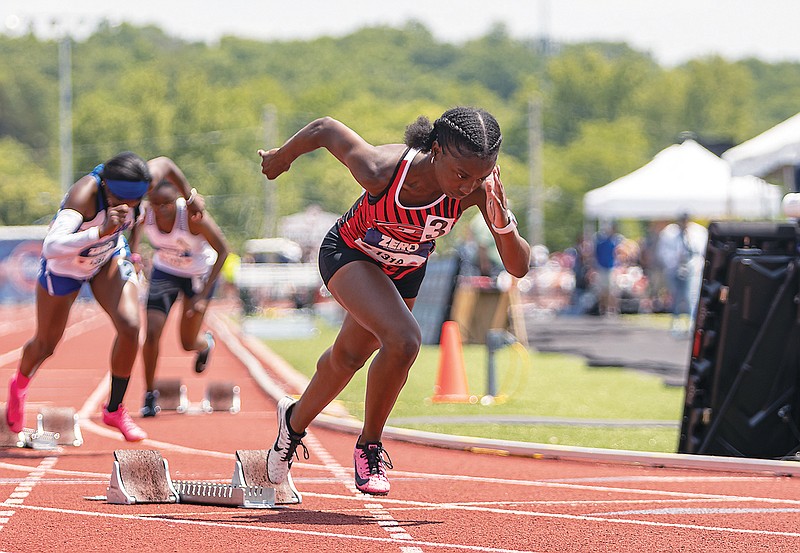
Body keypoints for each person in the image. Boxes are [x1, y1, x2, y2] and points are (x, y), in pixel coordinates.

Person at [258, 107, 531, 495]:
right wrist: (283, 156)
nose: (467, 184)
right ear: (436, 149)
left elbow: (518, 266)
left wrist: (499, 215)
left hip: (403, 270)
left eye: (481, 175)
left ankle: (293, 421)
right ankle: (369, 445)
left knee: (348, 358)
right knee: (404, 340)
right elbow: (325, 129)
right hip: (350, 255)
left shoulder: (478, 190)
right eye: (461, 174)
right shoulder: (381, 170)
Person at [5, 152, 203, 441]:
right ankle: (19, 386)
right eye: (121, 201)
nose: (127, 208)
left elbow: (167, 164)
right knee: (46, 344)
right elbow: (52, 246)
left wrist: (190, 196)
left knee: (131, 325)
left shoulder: (139, 180)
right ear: (107, 188)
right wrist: (100, 230)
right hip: (65, 268)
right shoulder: (84, 195)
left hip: (106, 260)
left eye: (134, 203)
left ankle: (114, 408)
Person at [137, 179, 229, 417]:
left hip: (198, 275)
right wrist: (133, 255)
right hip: (165, 271)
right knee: (152, 332)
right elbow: (133, 239)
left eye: (167, 203)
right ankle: (149, 394)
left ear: (175, 201)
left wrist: (202, 295)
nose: (161, 209)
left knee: (186, 342)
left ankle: (204, 344)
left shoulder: (190, 216)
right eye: (156, 204)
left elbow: (223, 249)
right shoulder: (145, 214)